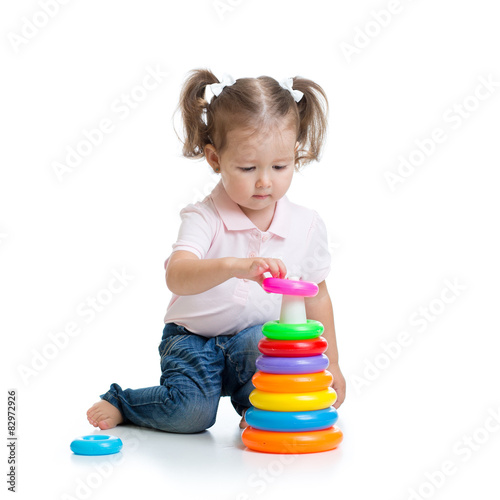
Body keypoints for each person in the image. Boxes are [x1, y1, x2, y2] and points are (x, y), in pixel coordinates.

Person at [87, 69, 346, 433]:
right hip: (192, 340)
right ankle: (123, 402)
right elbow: (176, 274)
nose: (264, 181)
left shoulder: (307, 225)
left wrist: (331, 363)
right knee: (191, 415)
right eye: (247, 167)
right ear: (214, 159)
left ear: (296, 155)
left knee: (267, 339)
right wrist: (232, 266)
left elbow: (317, 294)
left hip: (252, 347)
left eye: (280, 166)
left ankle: (255, 411)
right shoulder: (204, 216)